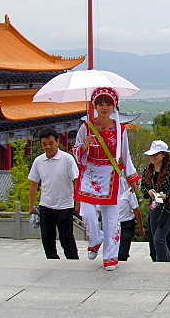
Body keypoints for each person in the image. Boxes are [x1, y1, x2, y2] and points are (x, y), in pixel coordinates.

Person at [73, 87, 140, 271]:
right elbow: (76, 153)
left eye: (108, 104)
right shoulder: (85, 127)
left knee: (112, 219)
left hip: (111, 175)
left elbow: (126, 155)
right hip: (90, 174)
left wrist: (132, 179)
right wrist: (84, 146)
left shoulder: (120, 129)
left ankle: (110, 256)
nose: (104, 107)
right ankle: (95, 239)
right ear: (94, 106)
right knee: (87, 214)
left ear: (114, 105)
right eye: (100, 104)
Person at [27, 127, 80, 260]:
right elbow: (33, 184)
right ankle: (52, 261)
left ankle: (73, 261)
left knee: (66, 238)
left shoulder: (67, 159)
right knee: (47, 237)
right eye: (44, 144)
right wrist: (30, 206)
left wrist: (77, 202)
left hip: (65, 206)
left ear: (57, 142)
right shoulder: (39, 161)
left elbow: (76, 181)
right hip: (46, 205)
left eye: (51, 143)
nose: (48, 146)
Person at [141, 139, 170, 262]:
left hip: (168, 207)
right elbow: (143, 187)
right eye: (151, 155)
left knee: (160, 238)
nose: (153, 157)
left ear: (163, 154)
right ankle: (162, 262)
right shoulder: (147, 170)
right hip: (154, 207)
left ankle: (164, 263)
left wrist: (165, 196)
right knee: (154, 239)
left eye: (156, 154)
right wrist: (149, 192)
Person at [116, 187, 143, 261]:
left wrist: (140, 227)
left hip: (126, 224)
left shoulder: (129, 192)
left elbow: (136, 210)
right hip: (113, 225)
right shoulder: (108, 190)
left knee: (122, 252)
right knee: (114, 251)